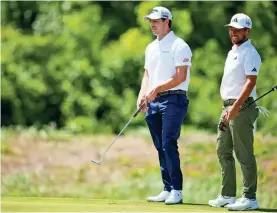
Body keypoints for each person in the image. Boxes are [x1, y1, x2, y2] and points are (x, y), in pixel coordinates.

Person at [137, 6, 192, 205]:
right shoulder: (150, 47)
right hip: (153, 101)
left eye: (156, 21)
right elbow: (147, 75)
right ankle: (167, 187)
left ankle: (177, 190)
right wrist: (142, 94)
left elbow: (181, 76)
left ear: (167, 21)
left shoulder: (180, 45)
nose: (152, 24)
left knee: (169, 142)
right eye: (150, 21)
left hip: (173, 100)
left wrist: (157, 89)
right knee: (160, 146)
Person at [208, 13, 261, 211]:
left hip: (242, 106)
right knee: (223, 151)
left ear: (247, 30)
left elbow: (250, 82)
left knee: (244, 153)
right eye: (231, 29)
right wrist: (229, 107)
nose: (233, 32)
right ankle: (228, 195)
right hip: (227, 106)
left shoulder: (250, 53)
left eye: (237, 29)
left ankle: (250, 198)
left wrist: (236, 107)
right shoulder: (233, 51)